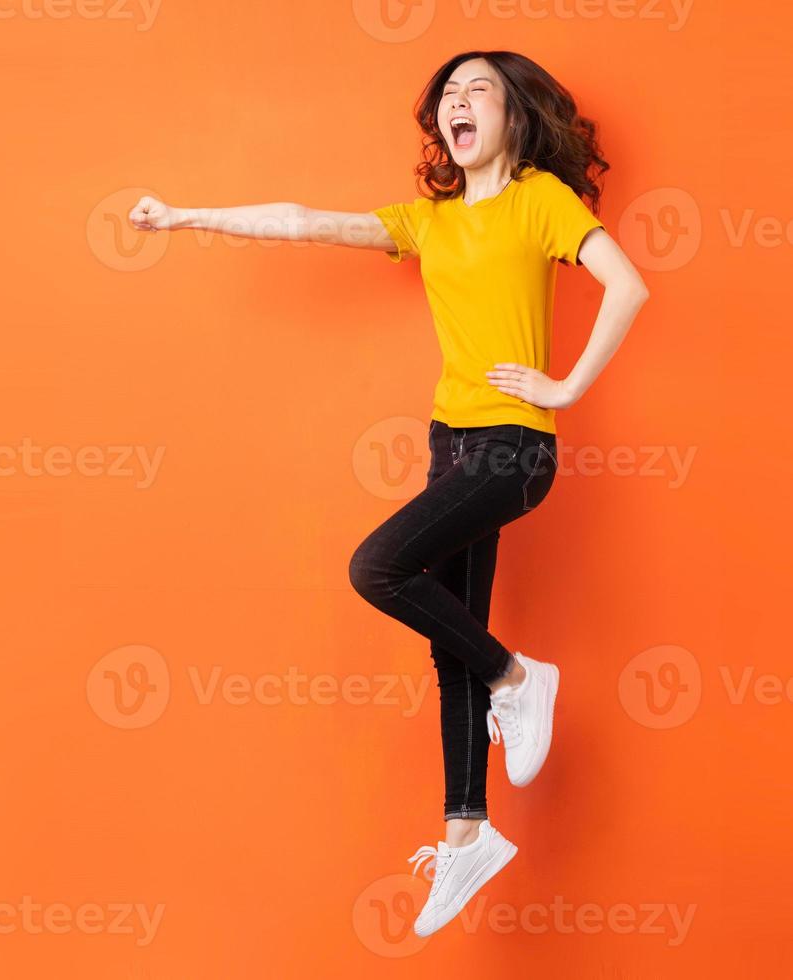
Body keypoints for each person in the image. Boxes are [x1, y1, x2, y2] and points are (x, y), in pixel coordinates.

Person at [127, 49, 649, 937]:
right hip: (450, 443)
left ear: (513, 117)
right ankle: (466, 832)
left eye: (476, 89)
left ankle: (521, 677)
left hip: (513, 447)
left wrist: (564, 389)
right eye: (448, 94)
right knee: (451, 640)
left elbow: (628, 284)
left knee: (376, 568)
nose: (458, 102)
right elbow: (301, 221)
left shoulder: (539, 201)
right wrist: (180, 215)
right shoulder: (429, 220)